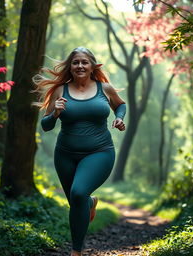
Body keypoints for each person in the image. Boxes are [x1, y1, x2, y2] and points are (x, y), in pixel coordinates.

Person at [34, 46, 126, 256]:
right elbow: (46, 125)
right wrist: (55, 112)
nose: (80, 66)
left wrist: (119, 118)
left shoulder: (105, 88)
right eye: (75, 62)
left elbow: (120, 105)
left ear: (93, 66)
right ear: (70, 67)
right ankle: (89, 203)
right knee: (77, 201)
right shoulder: (60, 90)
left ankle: (76, 251)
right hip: (65, 155)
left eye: (84, 62)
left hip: (99, 152)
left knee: (77, 192)